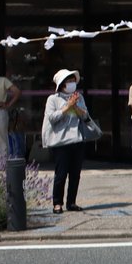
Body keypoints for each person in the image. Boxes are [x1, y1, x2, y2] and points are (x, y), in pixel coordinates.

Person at [42, 69, 89, 214]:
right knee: (61, 173)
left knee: (75, 173)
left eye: (73, 81)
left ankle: (72, 202)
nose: (72, 84)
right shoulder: (53, 99)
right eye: (68, 81)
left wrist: (76, 106)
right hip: (61, 141)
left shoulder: (79, 97)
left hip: (77, 139)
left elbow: (86, 116)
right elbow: (52, 118)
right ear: (62, 84)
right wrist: (67, 107)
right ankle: (57, 203)